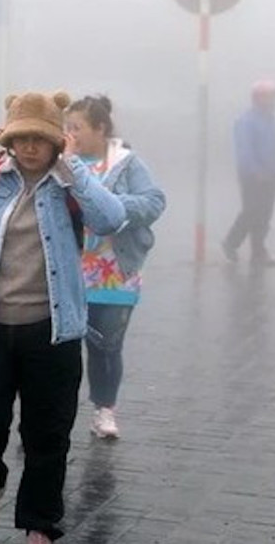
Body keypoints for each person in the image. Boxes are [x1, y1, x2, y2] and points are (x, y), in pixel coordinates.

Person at [0, 91, 127, 543]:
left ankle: (41, 524)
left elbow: (112, 217)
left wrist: (73, 170)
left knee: (48, 432)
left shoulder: (68, 185)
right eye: (22, 138)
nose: (31, 147)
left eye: (41, 138)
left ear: (57, 141)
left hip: (53, 331)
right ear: (8, 140)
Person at [64, 95, 165, 440]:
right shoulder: (62, 161)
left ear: (100, 128)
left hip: (114, 273)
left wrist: (111, 205)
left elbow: (154, 201)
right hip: (67, 271)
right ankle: (51, 419)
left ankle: (105, 410)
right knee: (59, 348)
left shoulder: (126, 162)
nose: (70, 134)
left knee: (106, 345)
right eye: (67, 127)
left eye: (77, 127)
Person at [222, 80, 275, 266]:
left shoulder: (272, 120)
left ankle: (258, 251)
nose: (272, 101)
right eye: (268, 97)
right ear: (257, 98)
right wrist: (255, 171)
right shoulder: (246, 121)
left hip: (271, 174)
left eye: (273, 96)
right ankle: (231, 243)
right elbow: (245, 150)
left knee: (265, 214)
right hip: (252, 176)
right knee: (251, 212)